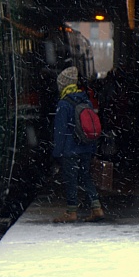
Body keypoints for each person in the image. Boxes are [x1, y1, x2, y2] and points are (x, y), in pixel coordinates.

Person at [52, 66, 104, 223]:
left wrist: (56, 153)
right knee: (85, 176)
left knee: (71, 179)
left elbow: (60, 131)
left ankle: (71, 211)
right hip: (86, 146)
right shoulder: (84, 99)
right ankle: (97, 208)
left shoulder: (64, 103)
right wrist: (93, 147)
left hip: (70, 149)